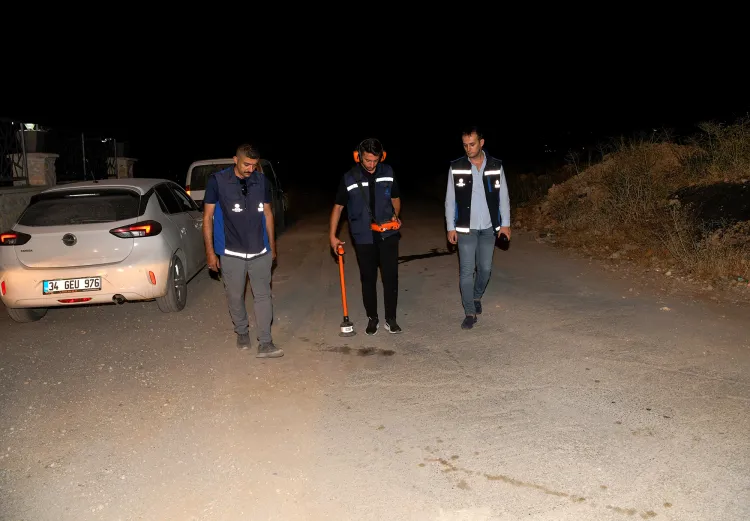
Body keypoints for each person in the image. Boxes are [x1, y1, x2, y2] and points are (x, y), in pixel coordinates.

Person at [202, 143, 283, 358]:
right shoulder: (217, 181)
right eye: (246, 164)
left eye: (254, 165)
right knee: (235, 295)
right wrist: (210, 252)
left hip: (260, 250)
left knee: (263, 295)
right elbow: (207, 218)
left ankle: (265, 342)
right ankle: (242, 331)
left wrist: (272, 247)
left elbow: (268, 213)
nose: (250, 169)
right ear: (235, 160)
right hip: (231, 252)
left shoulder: (261, 181)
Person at [329, 138, 403, 335]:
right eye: (367, 160)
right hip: (363, 236)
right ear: (358, 156)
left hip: (388, 233)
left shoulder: (388, 172)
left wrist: (395, 215)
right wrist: (332, 236)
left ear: (382, 157)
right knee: (368, 278)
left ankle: (391, 318)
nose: (371, 164)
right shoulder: (349, 178)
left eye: (375, 160)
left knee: (390, 277)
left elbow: (395, 198)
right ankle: (373, 318)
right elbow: (338, 207)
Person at [445, 126, 511, 330]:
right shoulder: (456, 167)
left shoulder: (496, 165)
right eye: (465, 145)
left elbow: (503, 197)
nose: (468, 148)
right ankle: (469, 312)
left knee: (485, 269)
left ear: (481, 143)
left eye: (472, 144)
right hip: (465, 228)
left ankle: (476, 296)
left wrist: (506, 224)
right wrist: (450, 227)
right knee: (466, 271)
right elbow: (450, 199)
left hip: (489, 228)